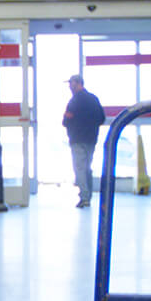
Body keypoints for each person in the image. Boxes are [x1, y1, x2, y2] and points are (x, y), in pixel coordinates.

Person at [62, 74, 105, 207]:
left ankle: (84, 197)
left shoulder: (73, 102)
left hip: (77, 139)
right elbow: (101, 118)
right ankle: (89, 194)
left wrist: (74, 125)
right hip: (91, 139)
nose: (69, 86)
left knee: (79, 168)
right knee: (87, 167)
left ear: (78, 83)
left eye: (71, 83)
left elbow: (65, 121)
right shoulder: (93, 99)